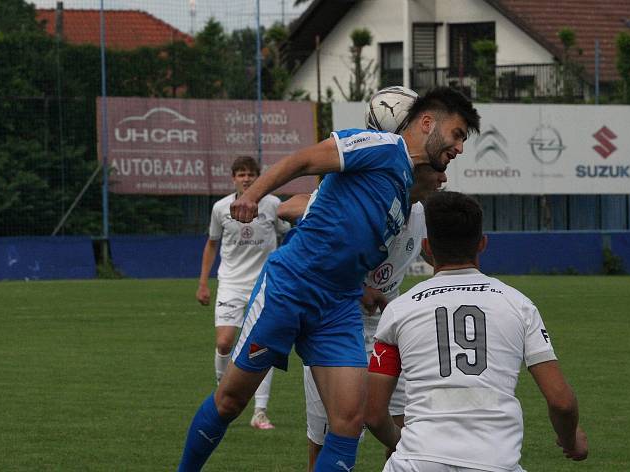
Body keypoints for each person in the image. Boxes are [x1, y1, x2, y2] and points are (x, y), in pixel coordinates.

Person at [177, 87, 480, 472]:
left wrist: (368, 288)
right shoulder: (381, 146)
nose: (458, 148)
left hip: (338, 307)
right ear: (426, 123)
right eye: (456, 134)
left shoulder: (403, 194)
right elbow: (303, 160)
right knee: (230, 402)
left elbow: (353, 242)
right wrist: (252, 194)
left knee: (349, 423)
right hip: (292, 286)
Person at [365, 191, 589, 472]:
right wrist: (570, 440)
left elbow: (373, 414)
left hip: (417, 462)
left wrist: (402, 444)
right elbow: (562, 402)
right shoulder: (518, 304)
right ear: (482, 243)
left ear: (427, 247)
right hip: (494, 464)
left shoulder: (399, 310)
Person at [284, 163, 447, 471]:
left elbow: (443, 256)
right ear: (414, 173)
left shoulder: (422, 216)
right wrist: (359, 288)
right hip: (335, 325)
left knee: (406, 436)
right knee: (332, 438)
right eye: (437, 170)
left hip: (389, 332)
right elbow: (313, 253)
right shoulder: (363, 207)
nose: (444, 177)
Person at [195, 155, 289, 430]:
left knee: (262, 346)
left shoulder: (272, 205)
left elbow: (289, 232)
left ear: (258, 177)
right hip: (231, 284)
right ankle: (223, 395)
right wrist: (203, 282)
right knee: (224, 343)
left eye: (251, 174)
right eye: (241, 174)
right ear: (233, 178)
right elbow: (212, 244)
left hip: (265, 284)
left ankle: (259, 412)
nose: (246, 178)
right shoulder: (220, 208)